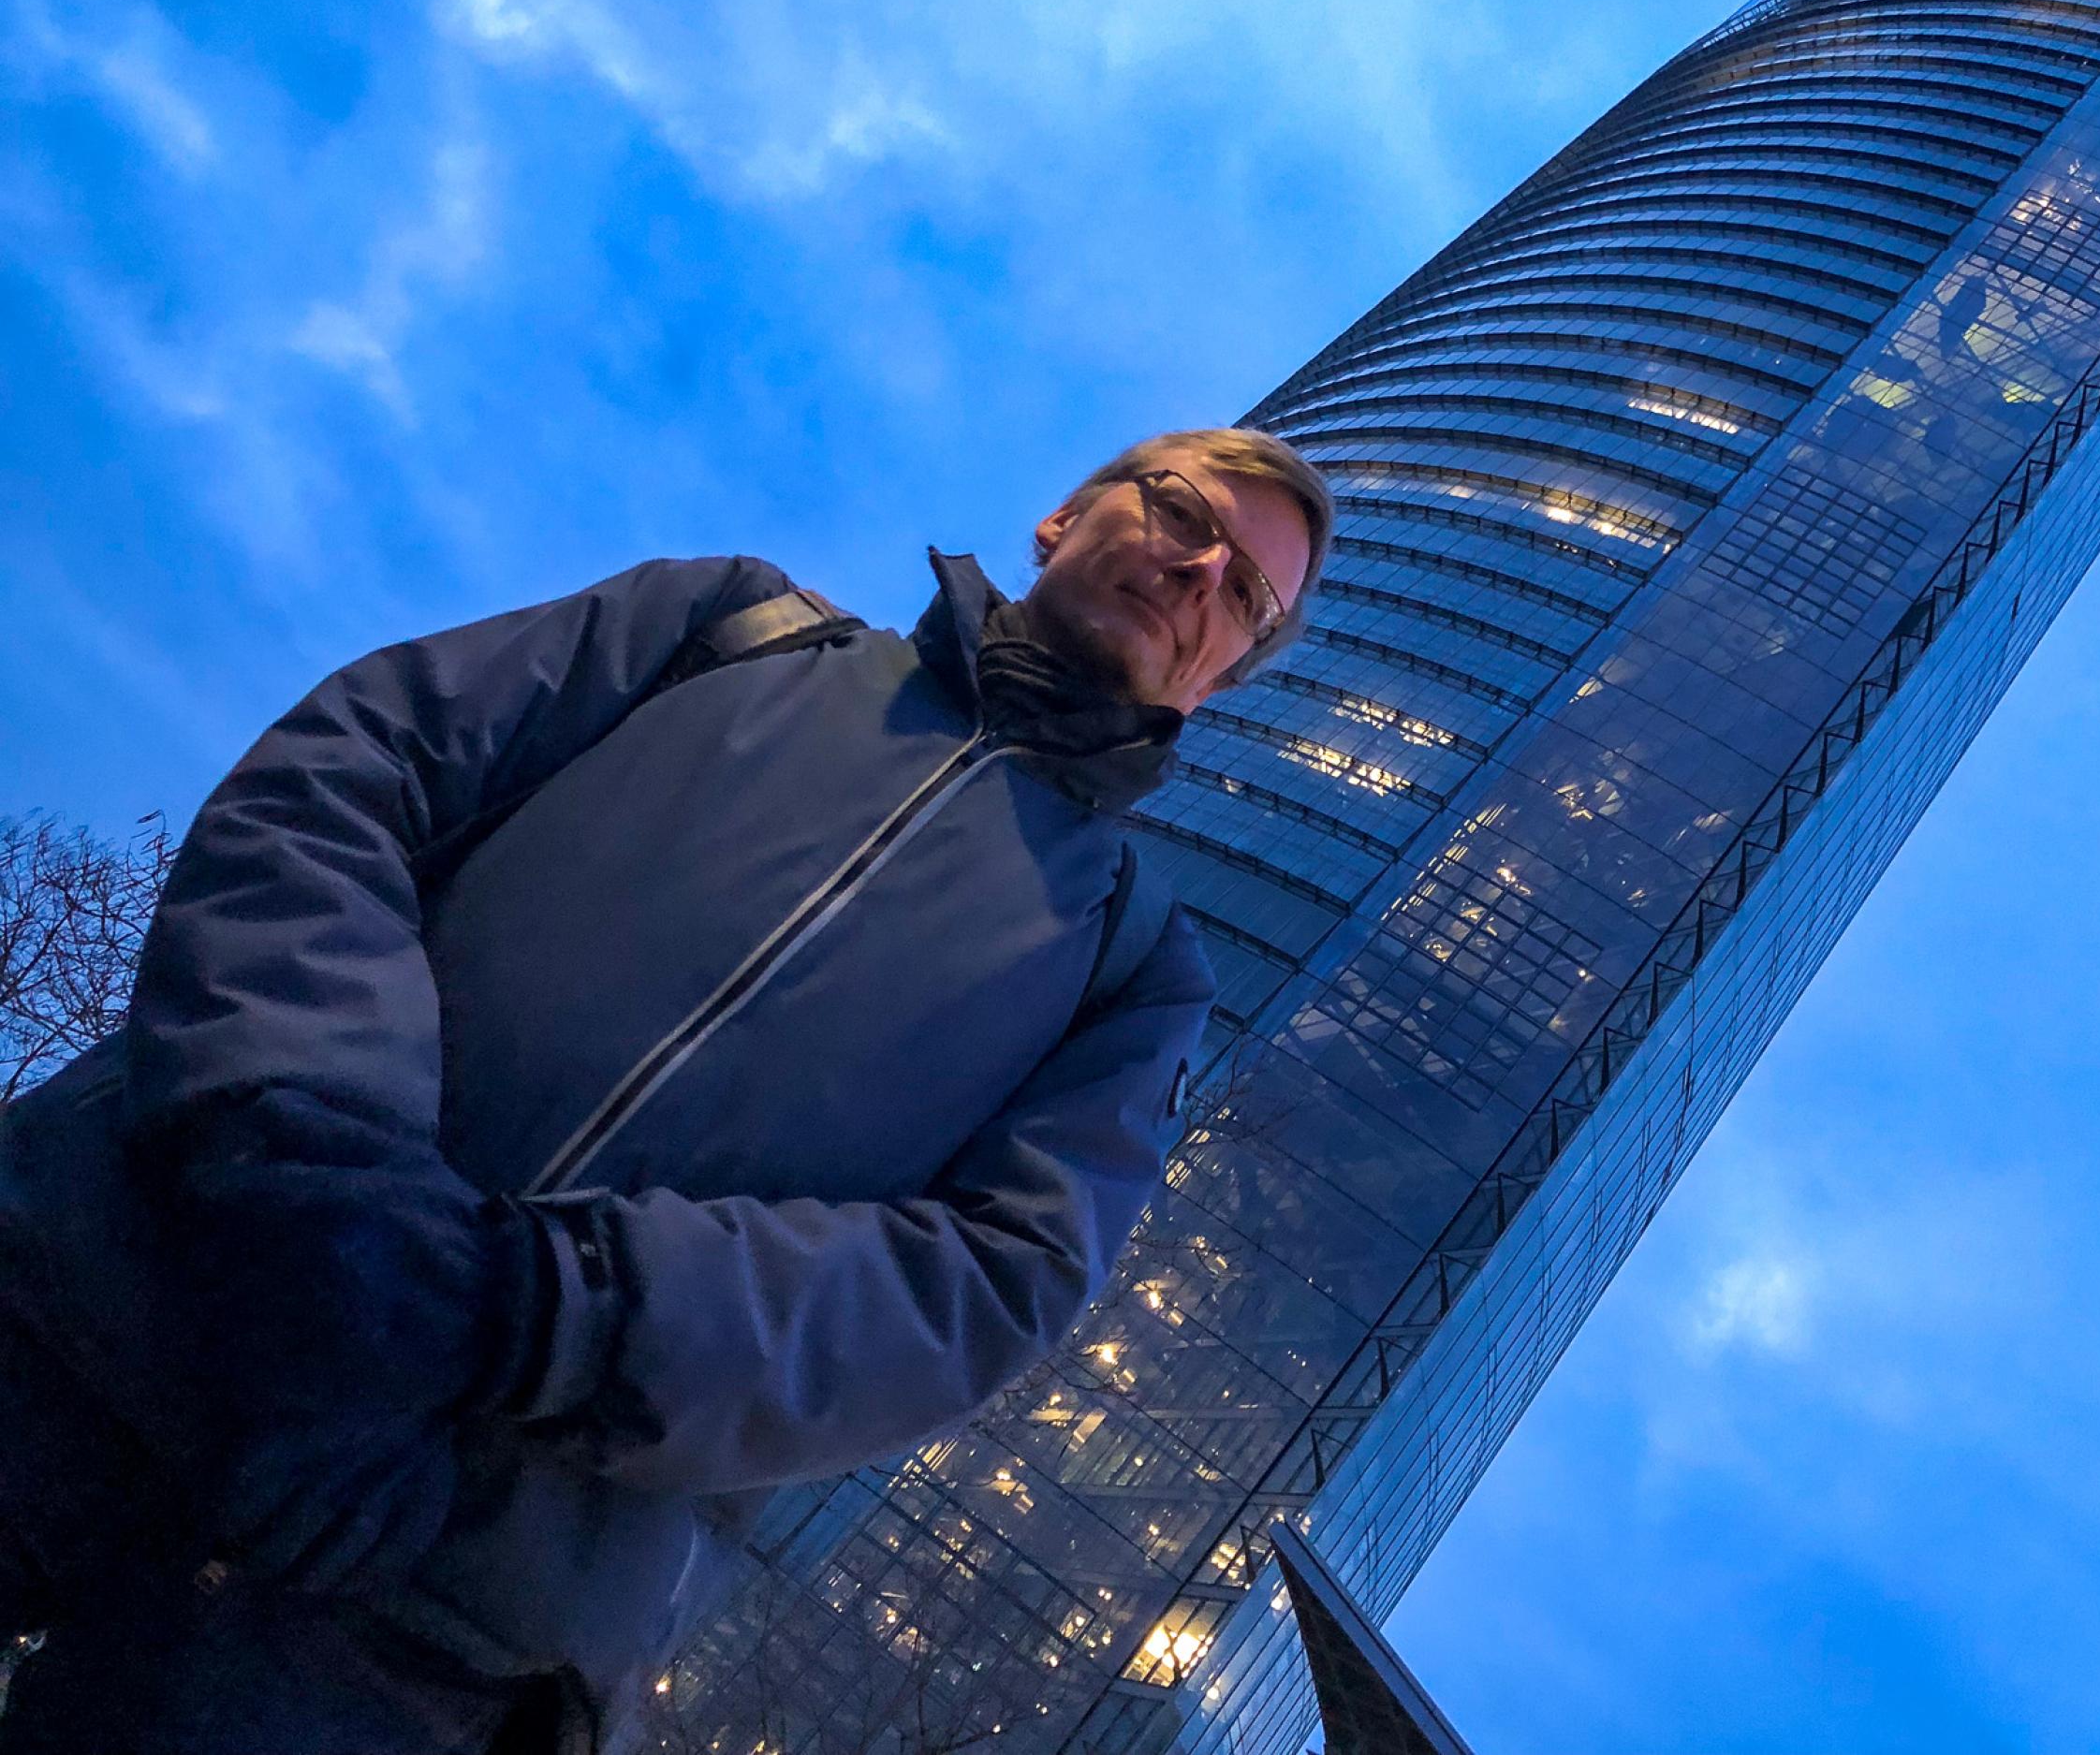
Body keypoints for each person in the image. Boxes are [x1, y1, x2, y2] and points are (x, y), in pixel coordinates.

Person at [0, 428, 1332, 1754]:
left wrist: (528, 1305)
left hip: (423, 1617)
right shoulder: (723, 623)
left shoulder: (1135, 968)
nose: (1200, 567)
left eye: (1247, 596)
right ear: (1062, 516)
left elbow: (986, 1286)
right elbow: (350, 775)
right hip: (89, 1299)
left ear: (1220, 679)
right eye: (1178, 507)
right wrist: (313, 1149)